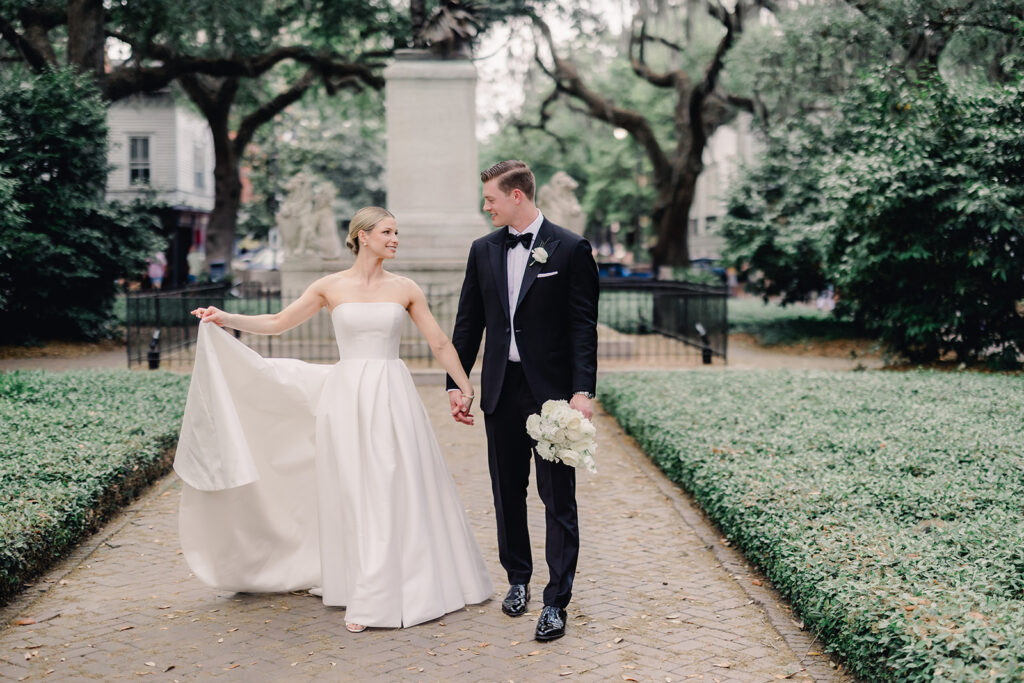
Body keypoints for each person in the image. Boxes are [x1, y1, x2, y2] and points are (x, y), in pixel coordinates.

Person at [176, 206, 493, 633]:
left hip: (391, 394)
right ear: (363, 236)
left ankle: (395, 586)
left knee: (392, 482)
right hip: (345, 396)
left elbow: (439, 341)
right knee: (354, 487)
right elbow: (278, 322)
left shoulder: (406, 288)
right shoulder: (329, 286)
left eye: (397, 232)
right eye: (387, 232)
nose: (395, 239)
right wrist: (224, 318)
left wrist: (464, 385)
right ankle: (361, 582)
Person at [446, 160, 599, 642]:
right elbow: (468, 322)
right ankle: (517, 579)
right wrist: (456, 383)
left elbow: (583, 327)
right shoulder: (483, 249)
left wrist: (582, 391)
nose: (485, 205)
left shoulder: (571, 248)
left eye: (491, 197)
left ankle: (556, 601)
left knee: (558, 499)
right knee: (506, 492)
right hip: (500, 390)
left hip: (552, 395)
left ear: (517, 196)